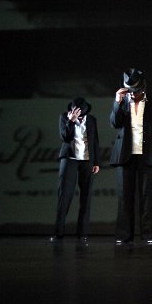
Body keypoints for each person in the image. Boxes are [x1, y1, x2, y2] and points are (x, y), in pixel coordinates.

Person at [110, 68, 152, 245]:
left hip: (147, 154)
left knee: (148, 197)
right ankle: (124, 235)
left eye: (136, 91)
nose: (133, 94)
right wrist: (117, 103)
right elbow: (114, 123)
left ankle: (150, 234)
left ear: (143, 88)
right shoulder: (122, 102)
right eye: (130, 91)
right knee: (124, 197)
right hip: (125, 155)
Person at [49, 97, 100, 244]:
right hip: (69, 159)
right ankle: (58, 233)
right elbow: (65, 137)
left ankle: (82, 234)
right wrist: (71, 121)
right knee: (64, 196)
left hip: (87, 161)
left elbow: (95, 141)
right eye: (75, 112)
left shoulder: (91, 120)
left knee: (86, 197)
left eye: (80, 113)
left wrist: (96, 162)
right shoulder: (64, 117)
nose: (78, 115)